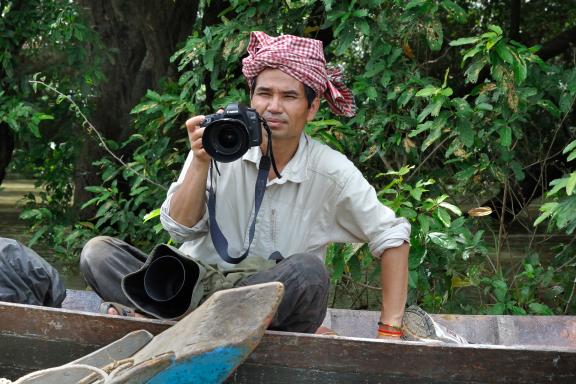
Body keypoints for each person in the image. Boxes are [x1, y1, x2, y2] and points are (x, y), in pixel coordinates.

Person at [80, 31, 410, 338]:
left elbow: (392, 236)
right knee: (100, 254)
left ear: (312, 108)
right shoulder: (221, 142)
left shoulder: (331, 171)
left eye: (289, 97)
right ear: (251, 98)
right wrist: (199, 162)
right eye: (264, 93)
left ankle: (167, 324)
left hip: (264, 297)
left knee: (309, 274)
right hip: (193, 286)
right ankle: (195, 324)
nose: (274, 107)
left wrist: (389, 333)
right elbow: (179, 229)